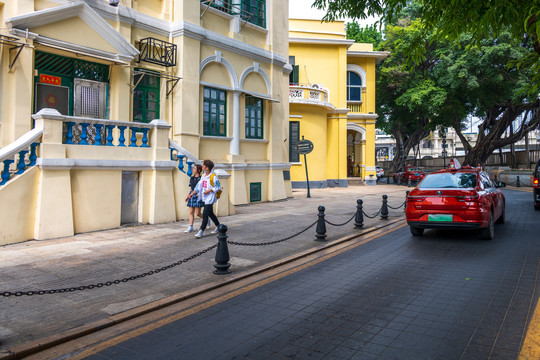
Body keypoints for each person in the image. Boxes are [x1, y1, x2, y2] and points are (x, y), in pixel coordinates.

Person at [193, 160, 221, 238]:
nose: (202, 166)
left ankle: (201, 230)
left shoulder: (213, 176)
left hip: (210, 197)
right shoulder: (203, 176)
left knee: (205, 213)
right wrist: (199, 193)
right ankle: (218, 226)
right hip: (205, 197)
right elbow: (201, 186)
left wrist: (210, 190)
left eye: (204, 165)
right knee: (210, 213)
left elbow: (218, 187)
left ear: (207, 167)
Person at [184, 164, 205, 233]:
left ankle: (206, 219)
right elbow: (191, 188)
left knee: (198, 213)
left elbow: (203, 187)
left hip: (198, 195)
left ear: (198, 170)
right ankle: (190, 226)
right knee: (191, 212)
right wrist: (188, 196)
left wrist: (200, 193)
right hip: (192, 195)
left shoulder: (202, 178)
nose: (193, 170)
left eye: (195, 168)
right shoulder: (192, 178)